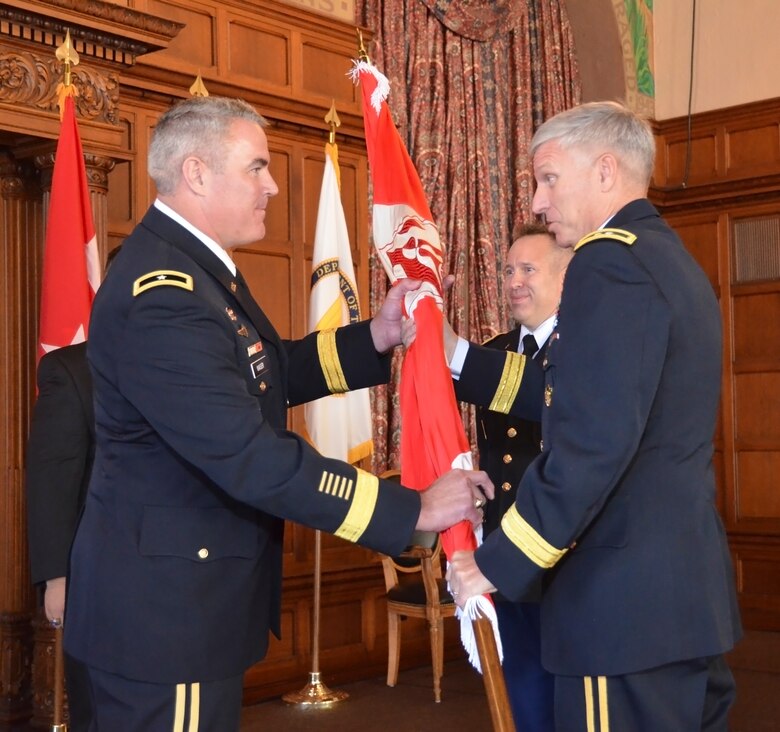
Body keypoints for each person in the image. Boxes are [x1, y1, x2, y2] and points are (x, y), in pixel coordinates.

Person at [63, 96, 492, 732]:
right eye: (256, 167)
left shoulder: (195, 271)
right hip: (167, 621)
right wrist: (416, 509)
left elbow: (269, 370)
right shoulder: (165, 293)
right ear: (198, 174)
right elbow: (248, 456)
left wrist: (374, 336)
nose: (271, 186)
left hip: (184, 605)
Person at [447, 101, 742, 731]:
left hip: (619, 608)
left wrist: (491, 564)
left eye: (549, 178)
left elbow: (591, 447)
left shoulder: (608, 264)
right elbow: (572, 393)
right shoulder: (665, 258)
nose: (536, 201)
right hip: (674, 598)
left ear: (605, 170)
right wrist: (458, 360)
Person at [451, 223, 571, 730]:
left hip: (561, 551)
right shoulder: (495, 350)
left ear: (565, 277)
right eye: (507, 270)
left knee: (565, 687)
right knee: (520, 682)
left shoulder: (579, 351)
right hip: (503, 545)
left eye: (528, 269)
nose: (514, 281)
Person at [26, 246, 121, 732]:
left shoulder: (182, 366)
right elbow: (52, 480)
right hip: (92, 575)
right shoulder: (71, 371)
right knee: (98, 711)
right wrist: (56, 579)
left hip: (167, 579)